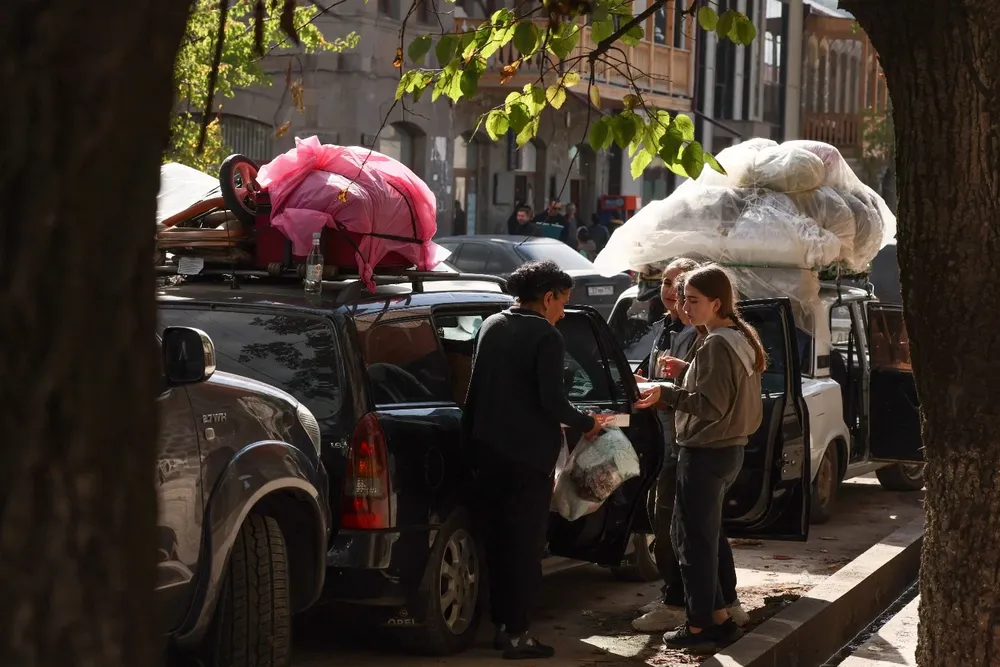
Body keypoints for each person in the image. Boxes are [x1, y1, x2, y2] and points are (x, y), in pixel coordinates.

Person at [463, 260, 604, 660]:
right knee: (524, 548)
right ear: (547, 298)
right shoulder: (545, 334)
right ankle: (517, 634)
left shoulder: (492, 325)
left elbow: (475, 391)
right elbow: (553, 401)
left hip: (487, 452)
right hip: (527, 459)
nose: (563, 311)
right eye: (563, 302)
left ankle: (501, 626)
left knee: (496, 543)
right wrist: (588, 423)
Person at [635, 265, 766, 653]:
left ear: (717, 303)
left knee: (694, 543)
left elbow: (711, 406)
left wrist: (665, 393)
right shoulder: (735, 337)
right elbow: (719, 389)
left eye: (693, 301)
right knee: (697, 538)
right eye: (684, 300)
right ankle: (719, 619)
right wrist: (684, 374)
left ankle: (699, 626)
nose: (685, 308)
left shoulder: (718, 343)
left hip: (708, 452)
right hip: (723, 451)